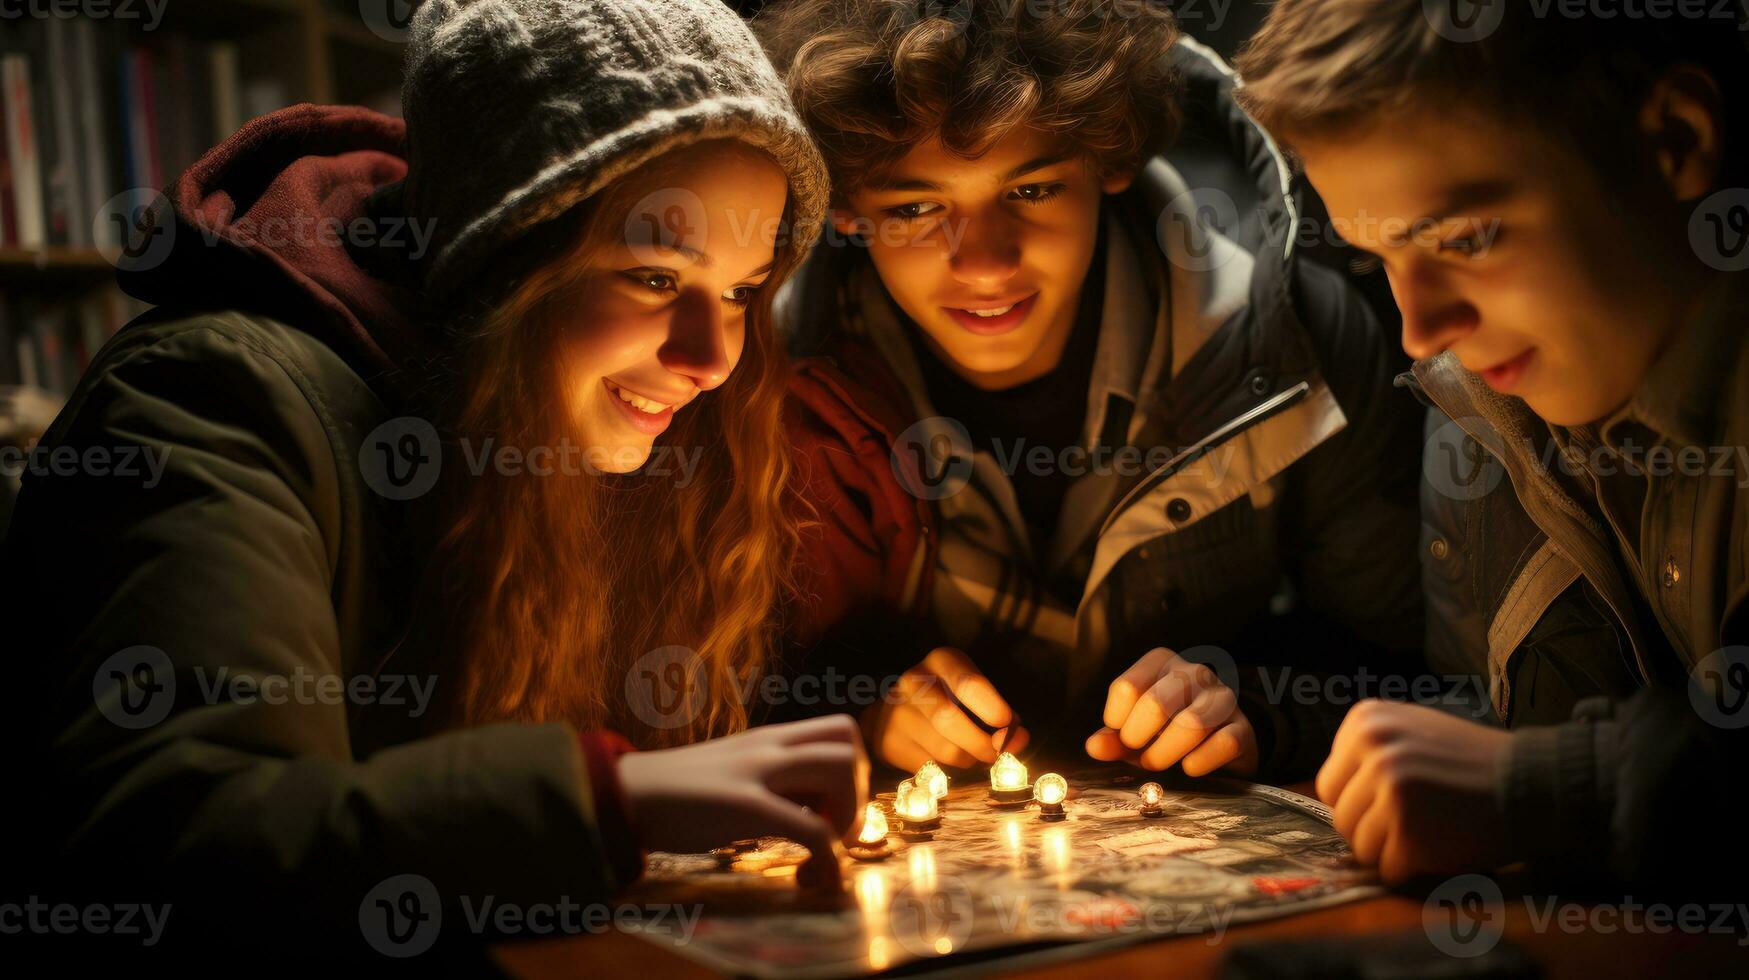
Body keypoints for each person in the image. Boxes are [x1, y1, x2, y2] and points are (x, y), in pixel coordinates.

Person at [1, 0, 866, 958]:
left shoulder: (584, 427)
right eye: (655, 277)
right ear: (505, 257)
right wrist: (604, 799)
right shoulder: (215, 399)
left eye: (743, 291)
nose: (713, 359)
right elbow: (171, 840)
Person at [754, 1, 1423, 781]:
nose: (984, 264)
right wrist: (861, 711)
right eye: (915, 208)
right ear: (843, 213)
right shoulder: (760, 382)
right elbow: (721, 698)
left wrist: (1257, 709)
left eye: (1031, 191)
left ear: (1111, 161)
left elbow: (1404, 668)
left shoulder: (1295, 340)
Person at [1234, 0, 1749, 891]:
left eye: (1465, 239)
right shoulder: (1489, 398)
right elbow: (1492, 722)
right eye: (1377, 260)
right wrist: (1260, 712)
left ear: (1673, 138)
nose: (1420, 331)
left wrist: (1555, 791)